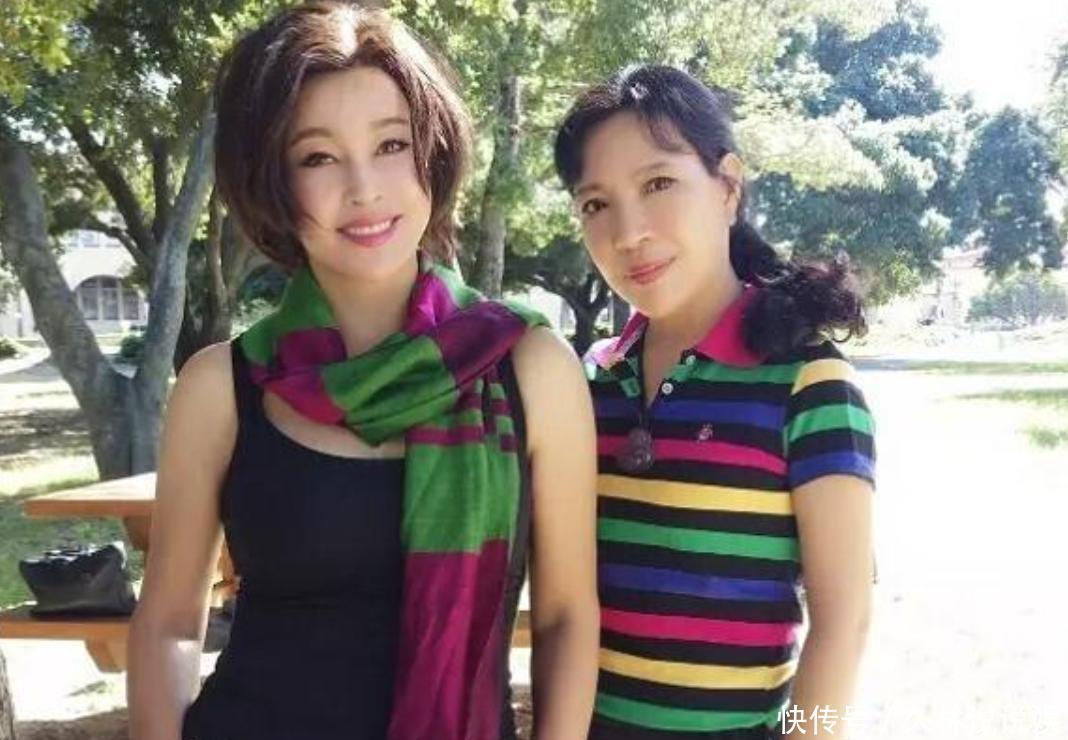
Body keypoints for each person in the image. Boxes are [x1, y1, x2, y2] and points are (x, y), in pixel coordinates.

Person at [127, 4, 599, 738]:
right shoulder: (223, 384)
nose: (365, 188)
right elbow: (168, 623)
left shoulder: (528, 367)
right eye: (317, 157)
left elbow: (566, 616)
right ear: (272, 182)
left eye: (392, 144)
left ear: (433, 152)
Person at [553, 64, 876, 739]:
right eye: (595, 204)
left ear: (728, 186)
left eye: (658, 184)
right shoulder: (586, 381)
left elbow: (844, 621)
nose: (628, 232)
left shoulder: (809, 384)